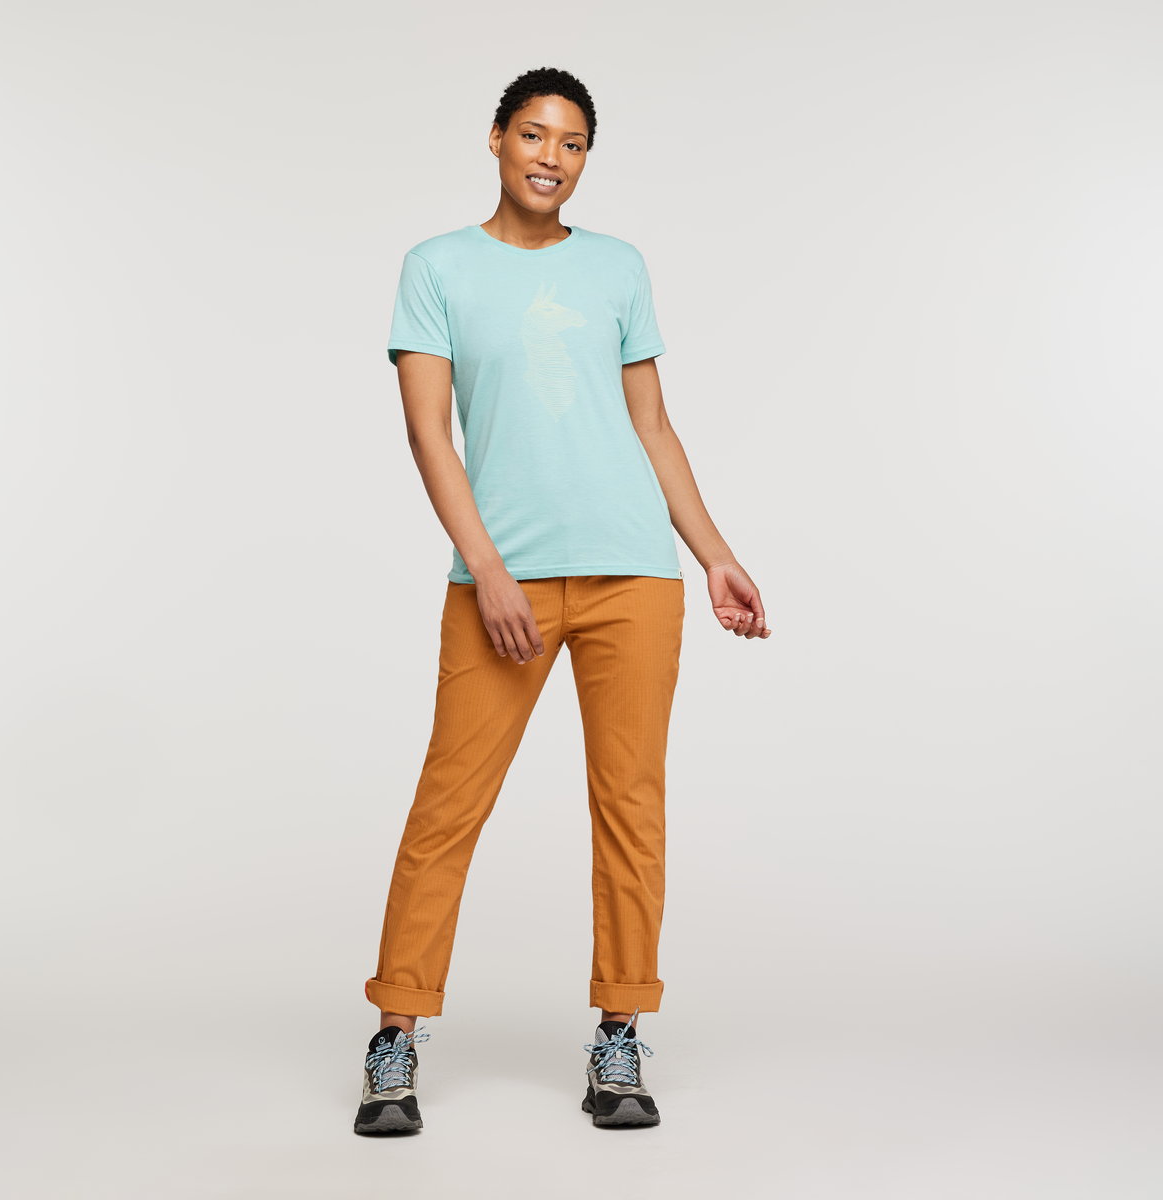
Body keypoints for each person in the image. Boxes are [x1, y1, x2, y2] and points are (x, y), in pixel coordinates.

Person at [354, 67, 769, 1135]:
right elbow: (427, 434)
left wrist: (715, 555)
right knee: (449, 804)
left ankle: (619, 1033)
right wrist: (487, 568)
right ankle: (396, 1035)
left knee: (631, 805)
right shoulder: (437, 267)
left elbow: (652, 427)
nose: (552, 157)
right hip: (503, 583)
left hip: (634, 574)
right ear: (496, 138)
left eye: (573, 142)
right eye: (535, 135)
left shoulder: (619, 266)